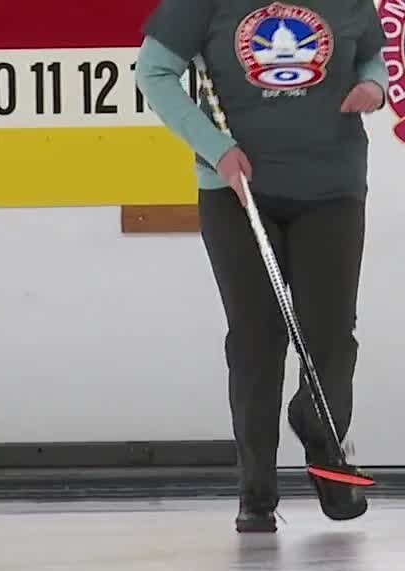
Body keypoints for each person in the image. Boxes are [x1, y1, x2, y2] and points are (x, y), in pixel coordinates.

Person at [136, 0, 389, 533]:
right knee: (256, 339)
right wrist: (214, 148)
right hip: (238, 189)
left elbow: (370, 53)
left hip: (332, 186)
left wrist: (374, 86)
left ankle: (324, 449)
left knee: (332, 337)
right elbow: (153, 72)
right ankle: (257, 491)